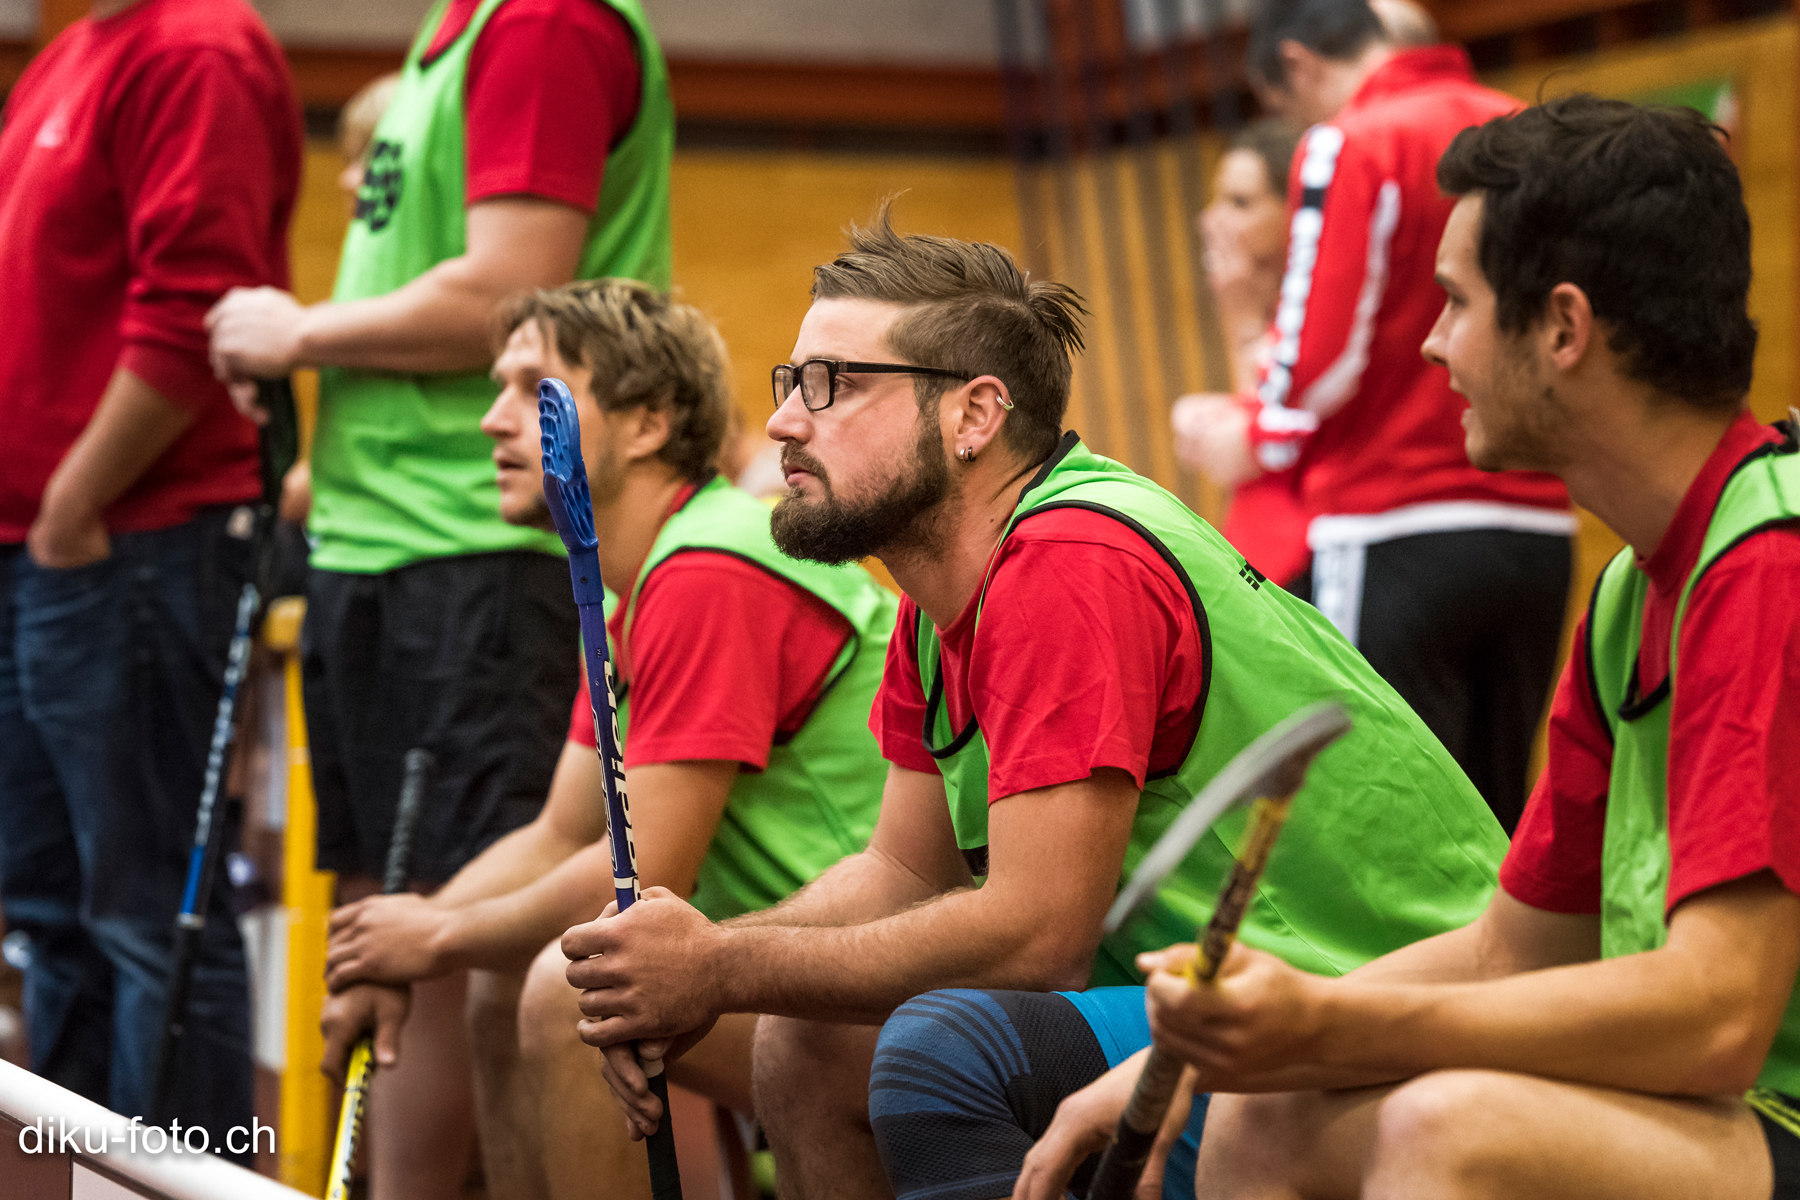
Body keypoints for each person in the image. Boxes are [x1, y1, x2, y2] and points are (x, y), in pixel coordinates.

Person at [562, 211, 1510, 1200]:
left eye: (833, 383)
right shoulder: (946, 598)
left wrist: (719, 968)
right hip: (1209, 990)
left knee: (947, 1047)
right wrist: (699, 961)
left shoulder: (1069, 559)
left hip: (1364, 988)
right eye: (790, 383)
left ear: (974, 416)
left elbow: (1037, 934)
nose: (789, 422)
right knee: (811, 1045)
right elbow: (897, 871)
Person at [1029, 95, 1800, 1200]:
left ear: (1564, 329)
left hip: (1767, 1108)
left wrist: (1326, 1018)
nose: (1433, 341)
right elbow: (1511, 951)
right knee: (1263, 1122)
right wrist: (1187, 1058)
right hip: (1725, 1116)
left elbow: (1722, 1016)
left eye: (1454, 301)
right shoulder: (1635, 584)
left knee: (1453, 1128)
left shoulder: (1768, 563)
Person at [205, 1, 672, 1192]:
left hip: (469, 548)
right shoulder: (447, 38)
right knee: (382, 913)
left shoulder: (544, 24)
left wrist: (301, 332)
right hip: (376, 547)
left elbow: (507, 291)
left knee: (461, 930)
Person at [317, 279, 896, 1200]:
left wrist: (436, 940)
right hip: (795, 979)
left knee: (572, 982)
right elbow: (556, 834)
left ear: (649, 422)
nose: (492, 423)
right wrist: (403, 944)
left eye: (532, 389)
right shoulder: (636, 595)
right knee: (512, 975)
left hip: (887, 989)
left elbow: (637, 873)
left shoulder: (711, 568)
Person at [0, 0, 300, 1154]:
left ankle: (172, 1183)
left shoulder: (197, 47)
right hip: (50, 550)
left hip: (133, 543)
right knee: (50, 917)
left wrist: (72, 507)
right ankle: (68, 1176)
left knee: (149, 920)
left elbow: (192, 310)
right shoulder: (71, 53)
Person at [1173, 0, 1573, 832]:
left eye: (1285, 107)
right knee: (1492, 824)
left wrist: (1248, 435)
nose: (1301, 125)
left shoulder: (1356, 139)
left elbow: (1322, 362)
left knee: (1379, 821)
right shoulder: (1524, 125)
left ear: (1297, 65)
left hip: (1393, 523)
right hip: (1538, 524)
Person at [1173, 119, 1307, 587]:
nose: (1212, 220)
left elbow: (1269, 445)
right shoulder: (1254, 298)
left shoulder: (1321, 312)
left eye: (1241, 202)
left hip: (1306, 551)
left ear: (1297, 214)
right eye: (1217, 199)